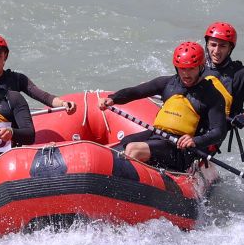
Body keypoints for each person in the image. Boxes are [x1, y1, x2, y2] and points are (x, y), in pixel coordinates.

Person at [97, 41, 229, 171]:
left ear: (201, 67)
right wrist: (113, 99)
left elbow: (219, 132)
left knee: (133, 149)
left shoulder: (212, 95)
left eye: (191, 69)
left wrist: (196, 140)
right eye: (182, 68)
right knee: (125, 142)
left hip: (182, 149)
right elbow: (136, 92)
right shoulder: (168, 83)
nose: (186, 74)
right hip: (158, 135)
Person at [0, 34, 76, 113]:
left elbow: (44, 97)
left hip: (10, 133)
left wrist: (63, 104)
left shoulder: (17, 79)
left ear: (5, 57)